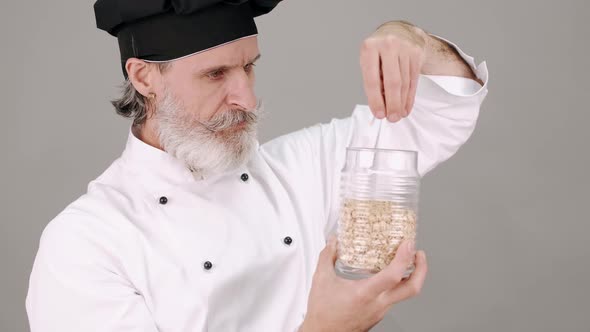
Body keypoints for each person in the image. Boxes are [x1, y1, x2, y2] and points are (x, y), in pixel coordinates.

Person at [26, 0, 488, 331]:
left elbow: (437, 117)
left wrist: (409, 39)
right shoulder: (85, 244)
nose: (246, 97)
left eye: (249, 67)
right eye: (216, 74)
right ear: (144, 76)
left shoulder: (300, 169)